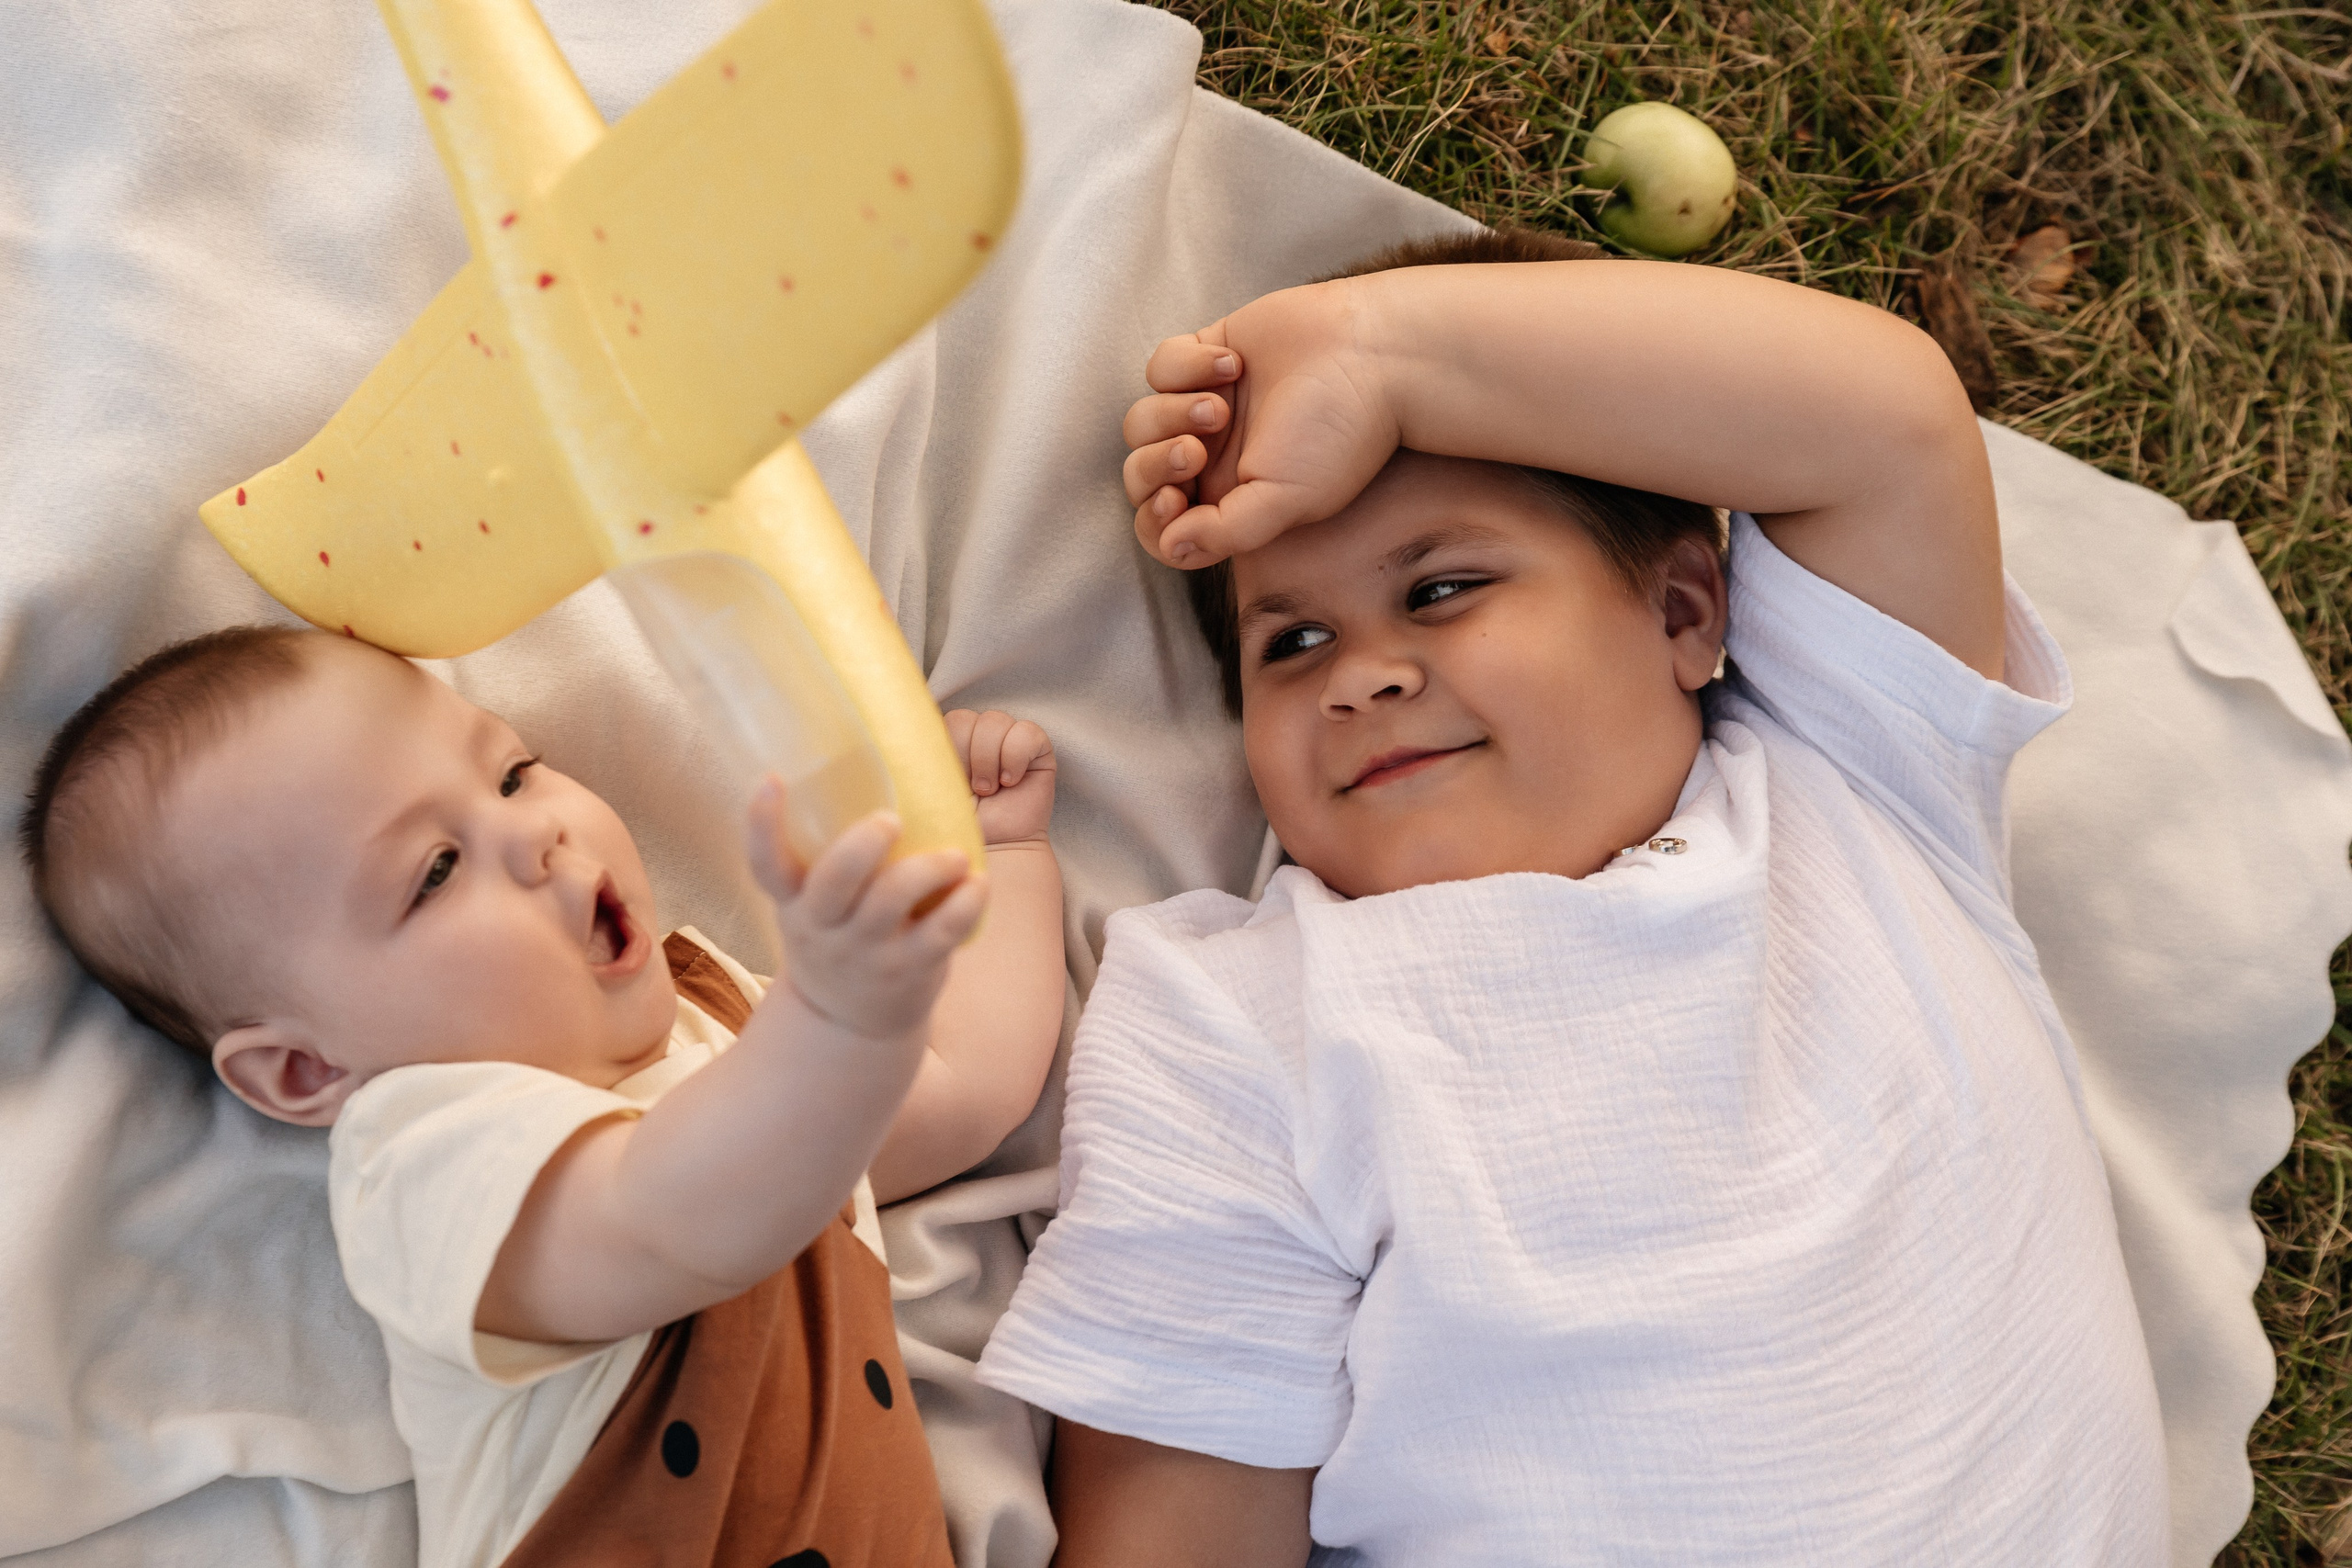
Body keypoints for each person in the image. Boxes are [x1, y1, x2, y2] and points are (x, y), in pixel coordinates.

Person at [975, 231, 2169, 1565]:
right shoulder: (1238, 1020)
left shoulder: (1855, 781)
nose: (1360, 677)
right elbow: (1179, 1522)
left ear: (1681, 613)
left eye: (1442, 588)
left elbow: (1887, 421)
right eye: (1289, 641)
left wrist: (1385, 356)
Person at [18, 627, 1066, 1568]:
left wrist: (1007, 857)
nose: (535, 835)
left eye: (514, 774)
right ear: (307, 1072)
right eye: (434, 871)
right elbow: (675, 1221)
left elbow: (965, 1090)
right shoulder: (432, 1156)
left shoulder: (727, 1026)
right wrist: (837, 1021)